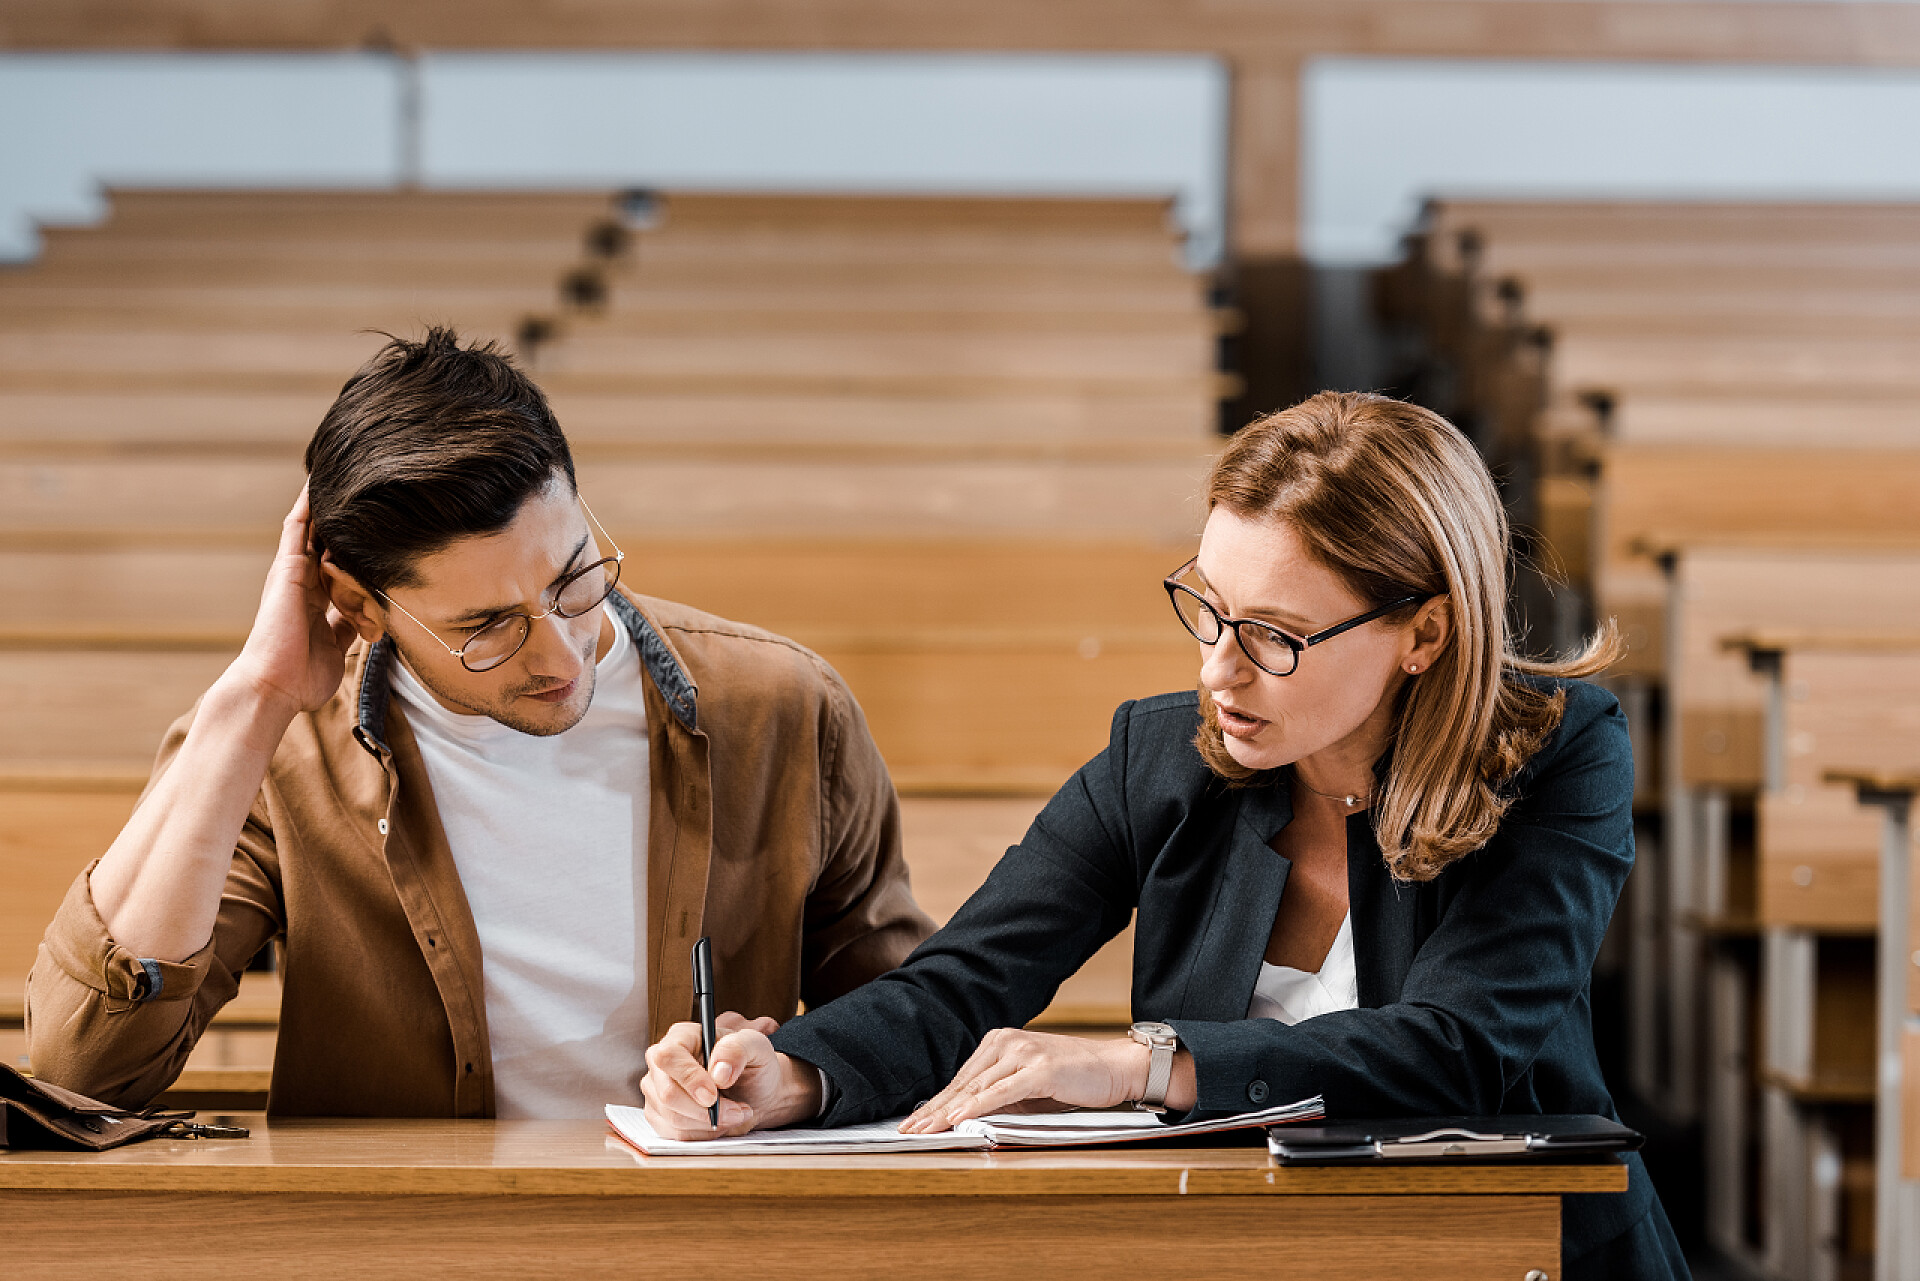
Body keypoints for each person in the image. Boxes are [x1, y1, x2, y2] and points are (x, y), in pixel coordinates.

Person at [639, 391, 1689, 1279]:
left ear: (1425, 633)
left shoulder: (1560, 754)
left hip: (1528, 1251)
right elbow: (960, 983)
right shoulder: (1162, 755)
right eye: (1209, 609)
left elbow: (1459, 1052)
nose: (1217, 671)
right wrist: (794, 1075)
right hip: (1241, 1251)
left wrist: (1144, 1064)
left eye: (1274, 635)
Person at [27, 327, 933, 1118]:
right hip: (413, 1246)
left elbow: (918, 1032)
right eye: (486, 627)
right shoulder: (280, 753)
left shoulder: (785, 710)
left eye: (574, 578)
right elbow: (85, 1070)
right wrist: (255, 699)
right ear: (358, 601)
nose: (563, 653)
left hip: (703, 1239)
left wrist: (798, 1072)